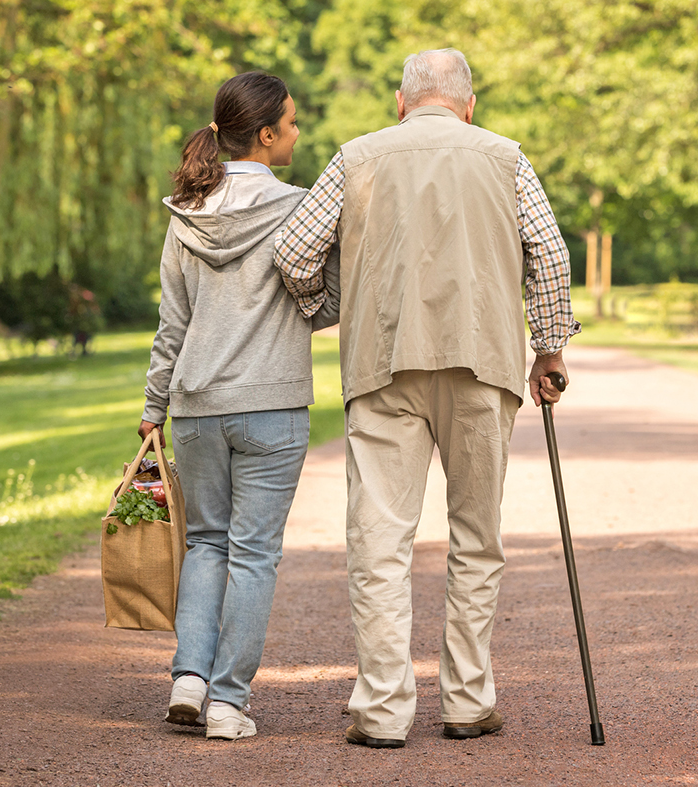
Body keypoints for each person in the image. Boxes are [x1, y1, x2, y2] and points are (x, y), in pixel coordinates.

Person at [273, 48, 579, 748]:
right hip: (483, 362)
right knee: (477, 536)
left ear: (401, 102)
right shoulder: (505, 156)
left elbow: (293, 251)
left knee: (379, 540)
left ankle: (382, 710)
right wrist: (551, 346)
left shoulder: (357, 156)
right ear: (469, 105)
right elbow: (551, 255)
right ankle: (469, 700)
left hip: (383, 363)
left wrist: (330, 304)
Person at [139, 71, 338, 741]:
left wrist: (153, 406)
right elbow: (328, 302)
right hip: (273, 406)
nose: (298, 131)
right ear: (265, 135)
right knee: (253, 555)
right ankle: (228, 703)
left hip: (196, 406)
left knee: (205, 544)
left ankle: (188, 678)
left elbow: (173, 325)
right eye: (292, 120)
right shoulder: (301, 208)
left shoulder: (185, 212)